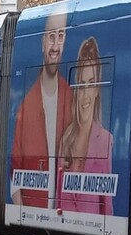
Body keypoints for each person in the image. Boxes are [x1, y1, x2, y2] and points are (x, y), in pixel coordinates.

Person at [10, 12, 71, 209]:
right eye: (51, 36)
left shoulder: (74, 100)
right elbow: (15, 167)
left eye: (60, 36)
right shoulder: (26, 106)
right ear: (43, 41)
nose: (55, 46)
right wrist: (21, 211)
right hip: (34, 207)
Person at [57, 38, 115, 216]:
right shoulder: (65, 140)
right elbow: (57, 199)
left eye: (91, 83)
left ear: (97, 90)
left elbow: (106, 202)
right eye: (81, 84)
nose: (86, 93)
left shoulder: (106, 140)